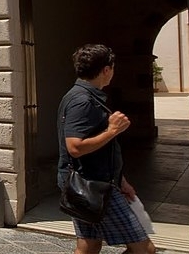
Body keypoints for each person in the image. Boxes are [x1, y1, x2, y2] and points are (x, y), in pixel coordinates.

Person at [57, 44, 155, 254]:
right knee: (144, 249)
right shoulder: (82, 101)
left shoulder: (84, 96)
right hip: (94, 187)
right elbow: (74, 147)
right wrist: (112, 130)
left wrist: (121, 180)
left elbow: (102, 152)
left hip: (95, 183)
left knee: (89, 245)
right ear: (106, 70)